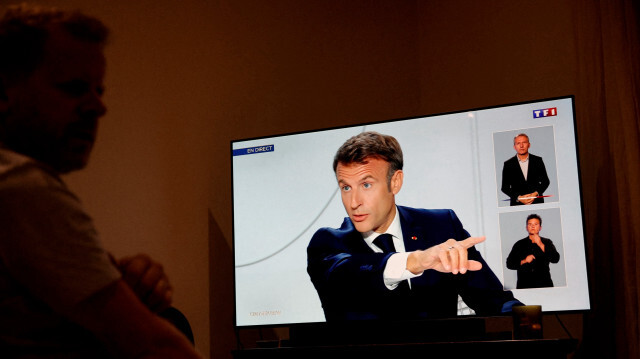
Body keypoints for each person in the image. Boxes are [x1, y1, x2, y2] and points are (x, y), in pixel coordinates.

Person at [0, 4, 201, 358]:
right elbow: (153, 346)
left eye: (99, 89)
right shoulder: (22, 186)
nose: (97, 107)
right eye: (74, 88)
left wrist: (117, 284)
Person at [306, 131, 521, 322]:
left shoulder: (442, 226)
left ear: (395, 182)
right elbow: (349, 274)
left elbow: (495, 301)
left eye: (366, 185)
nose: (354, 202)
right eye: (345, 187)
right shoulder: (327, 243)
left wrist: (531, 323)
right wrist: (416, 260)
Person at [506, 214, 560, 289]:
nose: (533, 226)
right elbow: (509, 264)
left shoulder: (547, 242)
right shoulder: (519, 244)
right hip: (524, 285)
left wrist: (540, 244)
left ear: (540, 227)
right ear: (526, 227)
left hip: (544, 285)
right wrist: (524, 261)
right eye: (530, 224)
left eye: (536, 224)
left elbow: (555, 259)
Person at [500, 133, 550, 206]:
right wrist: (519, 197)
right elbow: (504, 188)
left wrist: (535, 194)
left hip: (537, 202)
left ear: (529, 145)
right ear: (514, 147)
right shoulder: (508, 164)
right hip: (517, 204)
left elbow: (545, 181)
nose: (521, 146)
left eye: (524, 142)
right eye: (518, 143)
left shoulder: (538, 160)